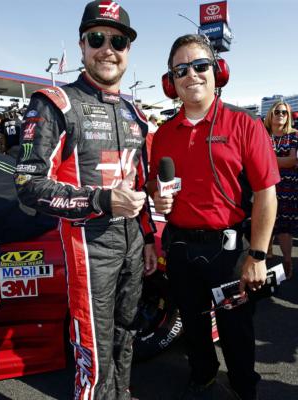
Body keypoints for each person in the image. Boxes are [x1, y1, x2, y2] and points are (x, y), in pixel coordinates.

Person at [15, 1, 157, 399]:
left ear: (128, 50)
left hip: (132, 244)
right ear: (81, 45)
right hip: (88, 245)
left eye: (118, 41)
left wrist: (146, 238)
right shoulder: (54, 103)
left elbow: (140, 183)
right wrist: (100, 200)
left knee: (127, 337)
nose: (107, 49)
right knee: (93, 351)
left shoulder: (136, 113)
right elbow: (28, 183)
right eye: (97, 39)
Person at [147, 34, 279, 400]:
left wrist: (257, 255)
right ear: (170, 82)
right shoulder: (162, 136)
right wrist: (158, 197)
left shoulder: (245, 125)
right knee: (192, 325)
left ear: (217, 71)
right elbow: (154, 187)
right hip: (180, 249)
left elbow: (267, 193)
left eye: (200, 65)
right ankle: (202, 377)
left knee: (237, 332)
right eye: (181, 69)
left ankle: (242, 389)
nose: (192, 75)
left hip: (229, 252)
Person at [264, 101, 298, 279]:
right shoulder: (262, 135)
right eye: (277, 111)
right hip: (265, 186)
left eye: (285, 112)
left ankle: (287, 261)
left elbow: (292, 161)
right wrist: (280, 160)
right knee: (264, 222)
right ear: (271, 114)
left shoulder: (294, 136)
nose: (281, 115)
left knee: (285, 227)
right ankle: (265, 256)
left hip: (287, 188)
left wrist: (268, 158)